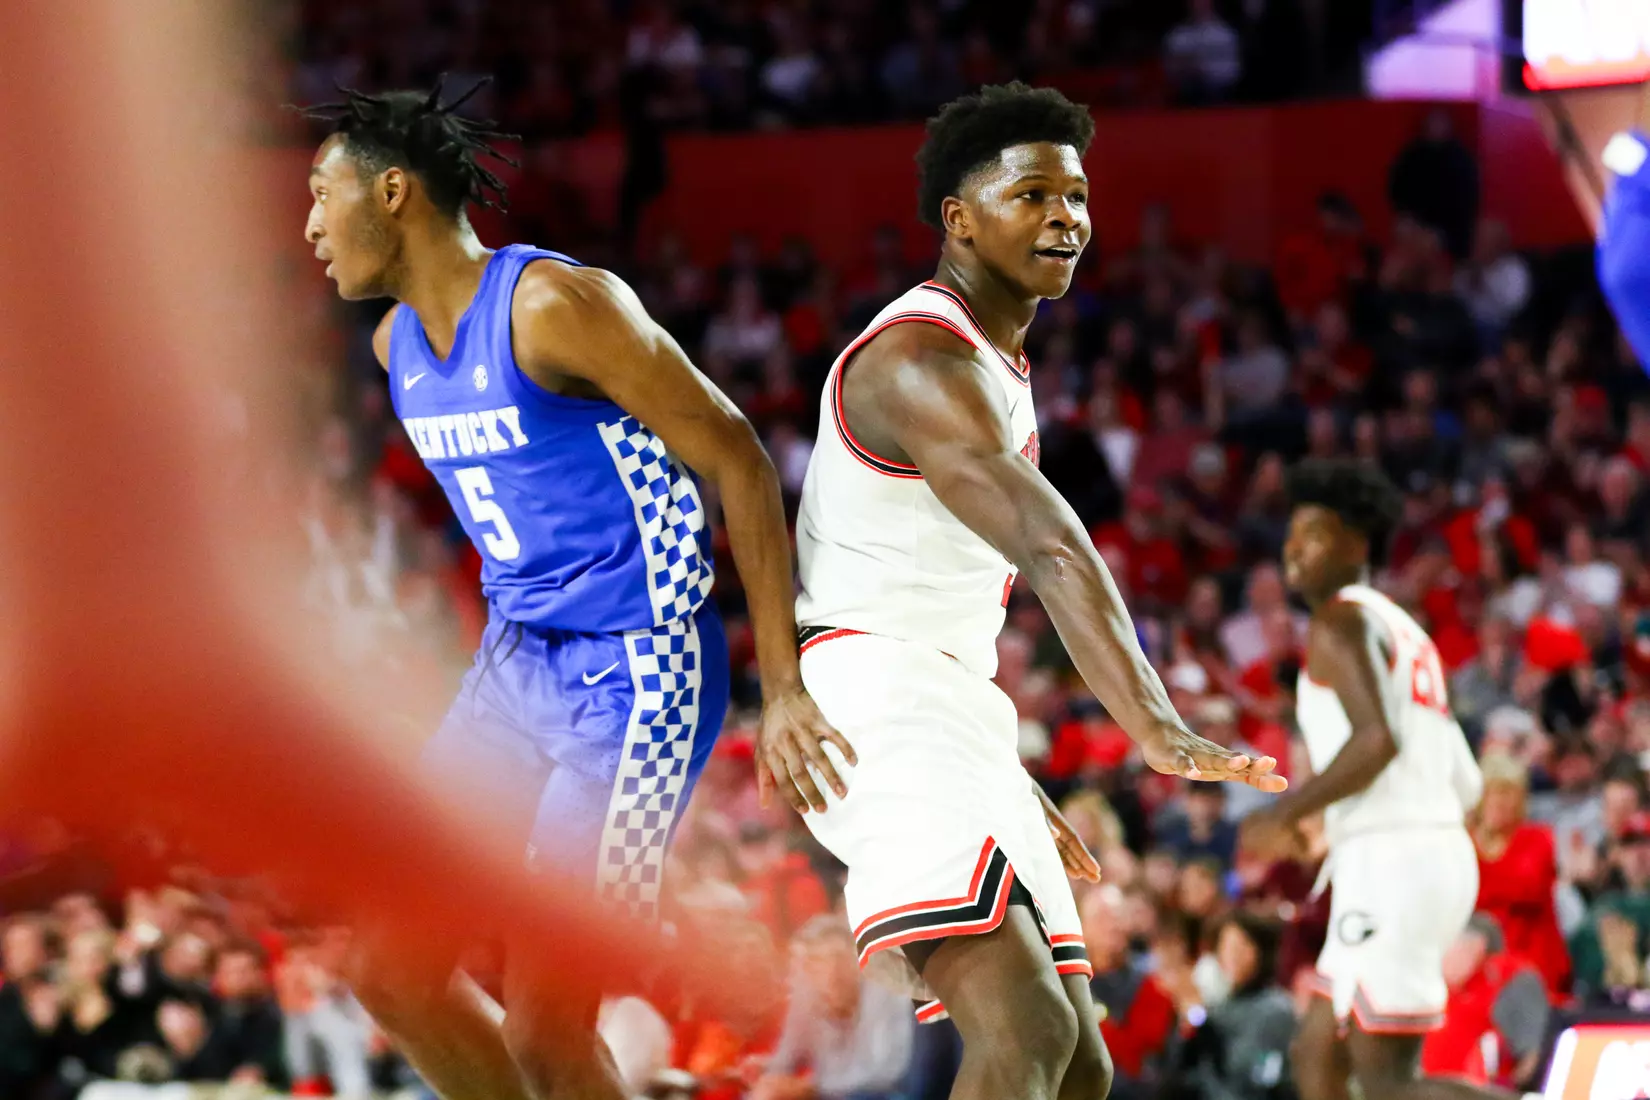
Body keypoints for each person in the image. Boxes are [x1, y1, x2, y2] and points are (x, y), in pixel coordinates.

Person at [301, 78, 846, 1100]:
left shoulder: (555, 305)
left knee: (549, 1027)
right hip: (514, 664)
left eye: (322, 196)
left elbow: (737, 455)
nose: (310, 228)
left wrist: (784, 685)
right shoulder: (393, 346)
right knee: (388, 968)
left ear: (393, 192)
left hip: (640, 673)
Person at [790, 82, 1284, 1100]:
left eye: (1077, 196)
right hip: (878, 698)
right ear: (959, 219)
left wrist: (996, 772)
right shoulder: (921, 359)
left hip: (948, 705)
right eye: (1033, 196)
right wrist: (1154, 724)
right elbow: (1055, 547)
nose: (1067, 218)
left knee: (1079, 1066)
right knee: (1026, 1031)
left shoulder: (990, 360)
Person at [1239, 459, 1529, 1100]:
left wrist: (1284, 814)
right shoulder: (1408, 632)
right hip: (1415, 854)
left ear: (1357, 544)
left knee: (1388, 1083)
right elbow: (1467, 782)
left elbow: (1377, 739)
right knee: (1317, 1053)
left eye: (1314, 535)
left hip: (1394, 863)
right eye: (1292, 536)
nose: (1293, 551)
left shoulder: (1340, 622)